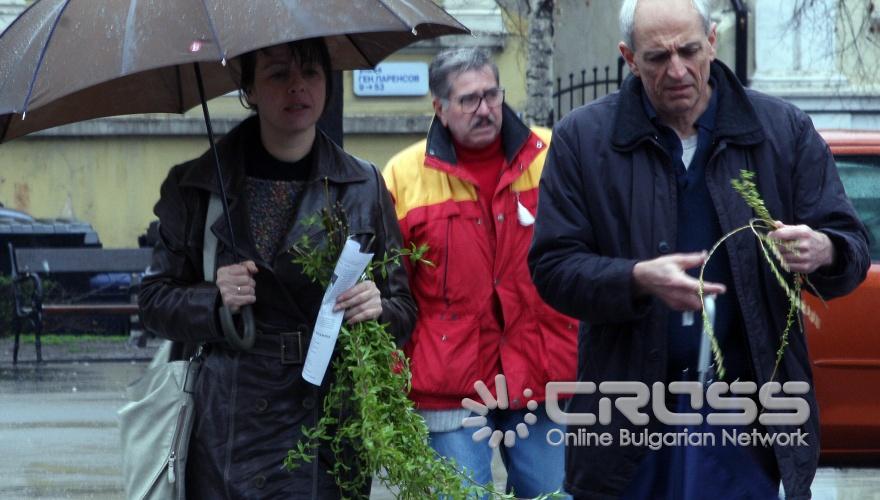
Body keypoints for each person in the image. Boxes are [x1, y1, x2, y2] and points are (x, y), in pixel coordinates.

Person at [528, 0, 871, 498]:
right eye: (656, 58)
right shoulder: (584, 139)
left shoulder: (781, 130)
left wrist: (825, 250)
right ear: (628, 57)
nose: (677, 70)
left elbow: (851, 245)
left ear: (712, 41)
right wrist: (636, 279)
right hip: (627, 418)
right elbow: (553, 267)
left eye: (689, 50)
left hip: (748, 419)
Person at [139, 38, 416, 498]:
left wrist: (379, 308)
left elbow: (403, 307)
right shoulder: (197, 185)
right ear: (246, 86)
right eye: (278, 74)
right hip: (229, 426)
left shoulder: (361, 183)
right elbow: (153, 303)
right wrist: (213, 298)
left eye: (311, 73)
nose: (297, 88)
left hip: (327, 421)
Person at [382, 47, 577, 497]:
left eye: (492, 94)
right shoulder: (404, 175)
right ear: (440, 109)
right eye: (469, 99)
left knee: (556, 494)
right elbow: (394, 287)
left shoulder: (553, 156)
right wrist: (394, 380)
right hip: (449, 380)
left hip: (542, 370)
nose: (485, 108)